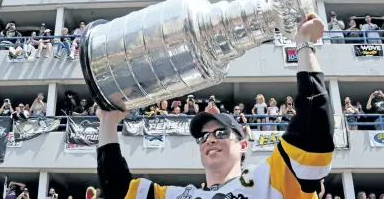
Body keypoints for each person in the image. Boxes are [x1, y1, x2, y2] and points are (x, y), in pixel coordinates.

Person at [95, 14, 334, 198]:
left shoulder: (269, 180)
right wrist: (108, 122)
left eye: (220, 133)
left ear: (242, 145)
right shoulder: (183, 195)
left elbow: (314, 132)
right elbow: (119, 192)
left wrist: (304, 46)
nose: (209, 140)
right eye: (202, 137)